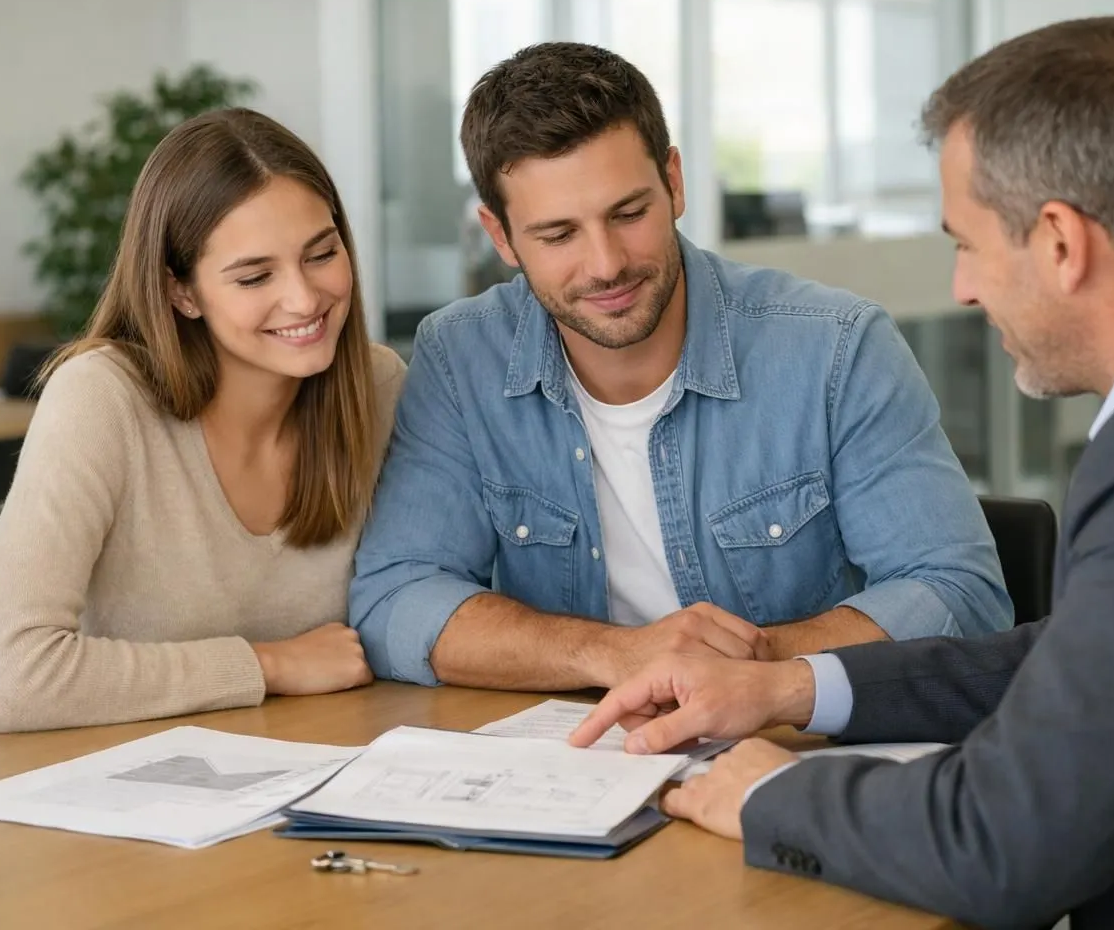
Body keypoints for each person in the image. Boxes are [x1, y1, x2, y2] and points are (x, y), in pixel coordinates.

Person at [570, 17, 1114, 930]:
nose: (963, 289)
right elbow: (1098, 657)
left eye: (967, 244)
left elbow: (1005, 844)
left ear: (1059, 241)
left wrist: (772, 797)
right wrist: (795, 687)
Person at [349, 42, 1009, 692]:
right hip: (578, 765)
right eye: (558, 235)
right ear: (501, 237)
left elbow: (959, 595)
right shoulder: (460, 358)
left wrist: (744, 662)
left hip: (788, 753)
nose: (606, 263)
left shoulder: (835, 347)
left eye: (628, 213)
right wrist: (613, 656)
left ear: (674, 181)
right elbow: (396, 599)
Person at [0, 108, 405, 739]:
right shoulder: (103, 397)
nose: (303, 298)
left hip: (223, 773)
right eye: (255, 275)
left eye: (321, 254)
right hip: (1, 783)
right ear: (181, 291)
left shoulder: (376, 387)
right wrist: (268, 664)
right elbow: (13, 677)